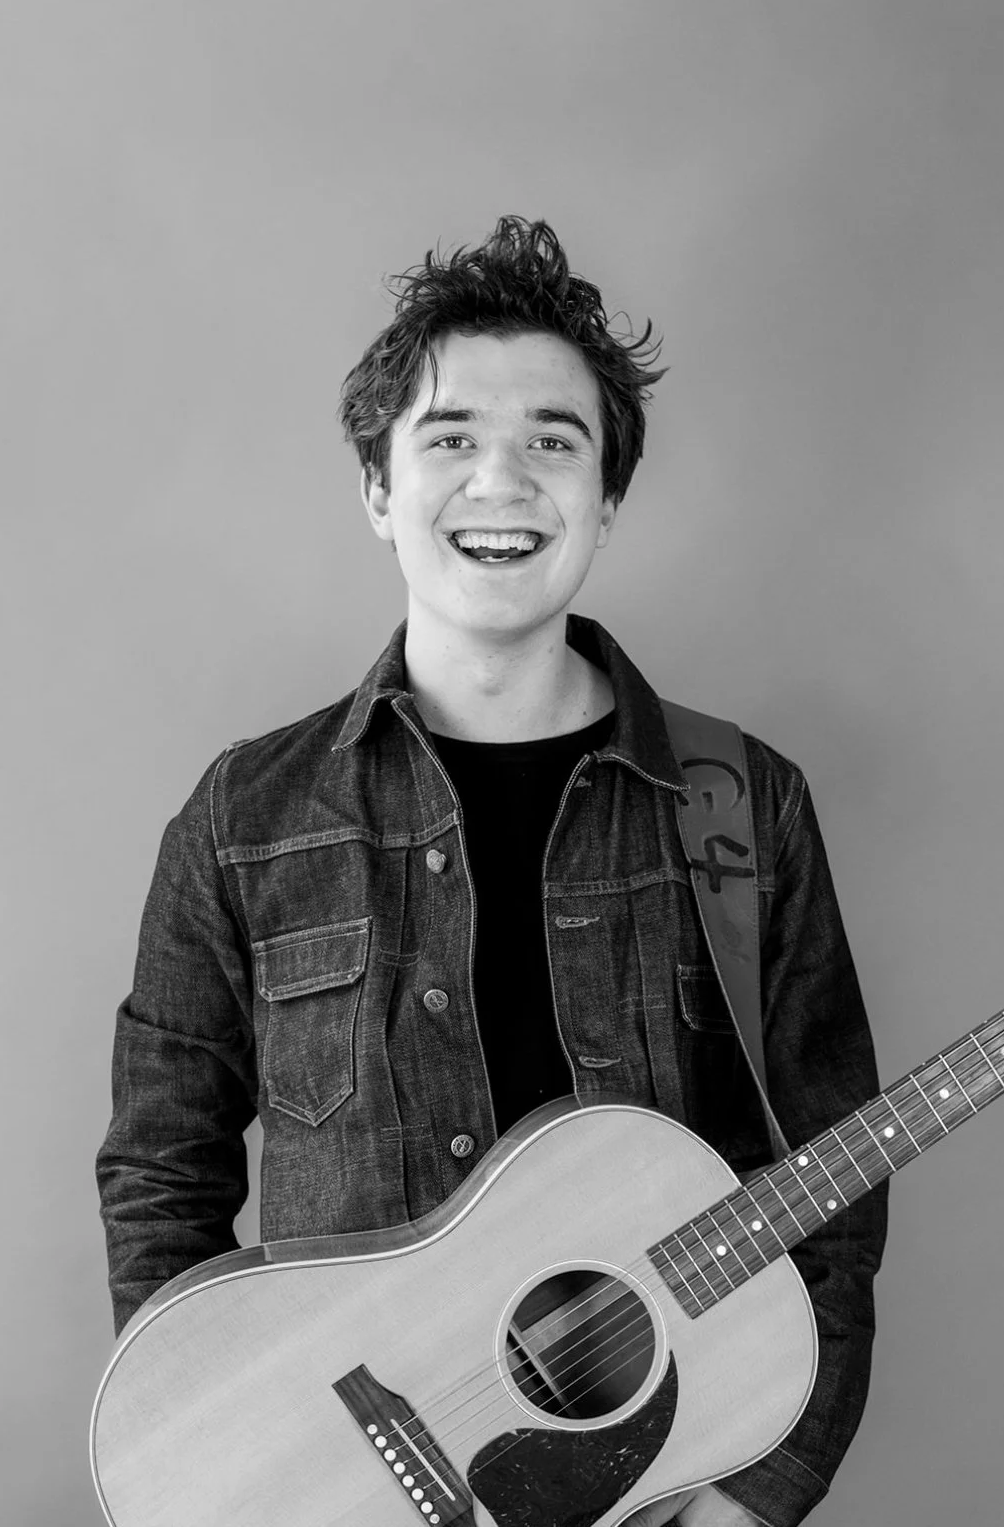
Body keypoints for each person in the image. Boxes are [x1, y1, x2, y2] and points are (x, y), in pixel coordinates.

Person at [97, 216, 887, 1527]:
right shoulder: (244, 818)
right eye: (451, 439)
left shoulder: (743, 808)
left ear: (608, 497)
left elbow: (829, 1196)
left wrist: (750, 1501)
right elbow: (160, 1173)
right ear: (376, 489)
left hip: (649, 1489)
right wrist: (223, 1458)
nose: (501, 481)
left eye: (552, 443)